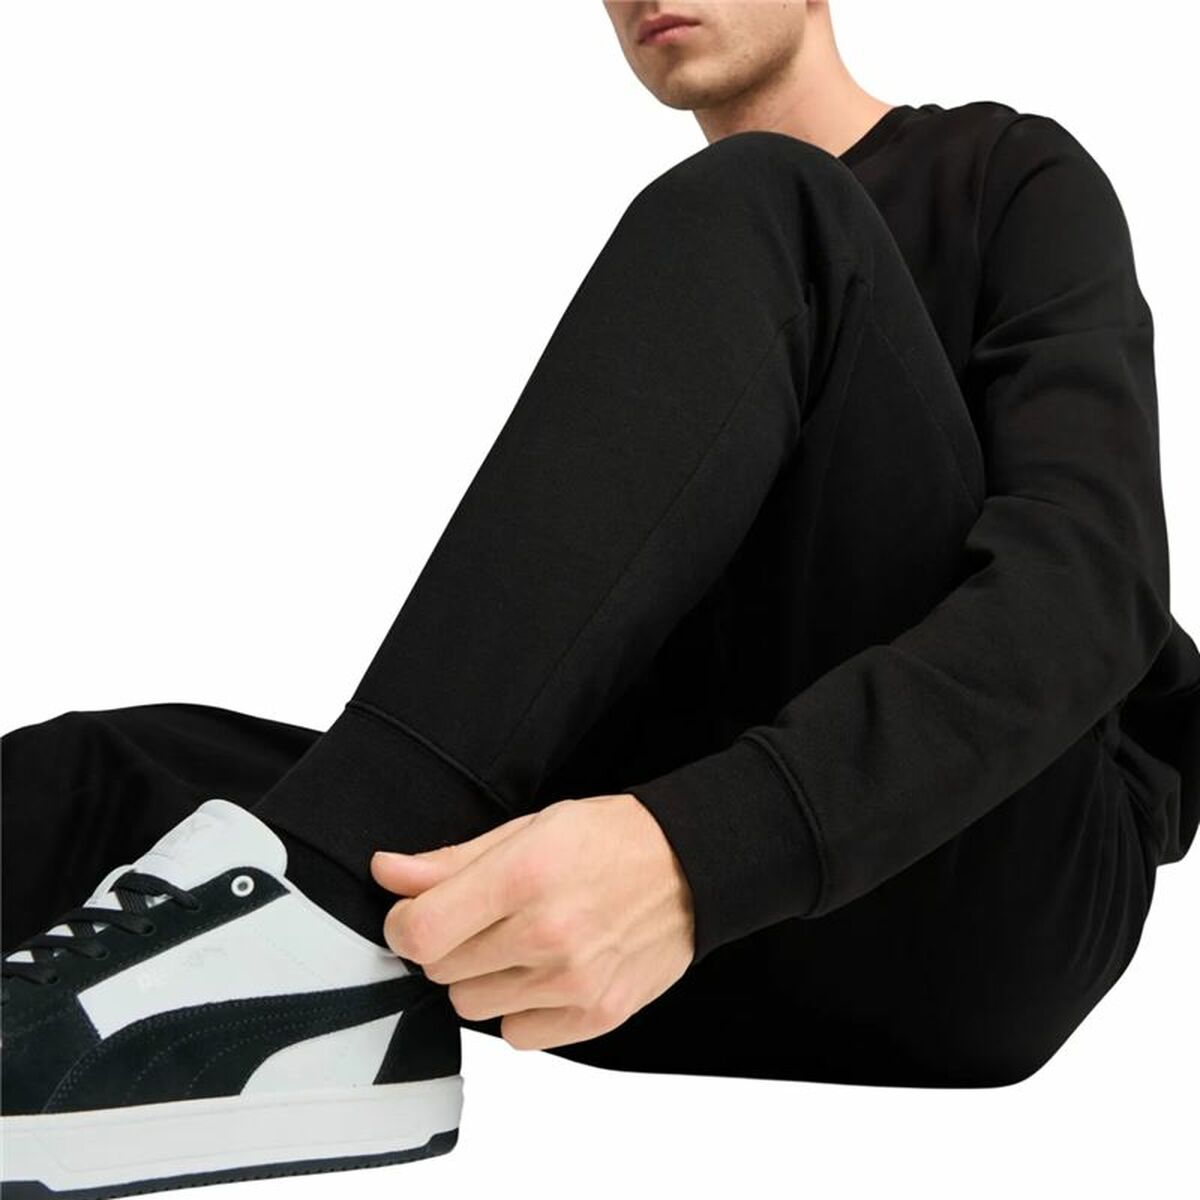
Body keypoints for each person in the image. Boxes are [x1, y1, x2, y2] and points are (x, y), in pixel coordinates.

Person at [3, 1, 1198, 1194]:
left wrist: (700, 851)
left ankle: (309, 933)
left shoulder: (995, 174)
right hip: (672, 951)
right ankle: (288, 965)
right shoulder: (694, 291)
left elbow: (1091, 594)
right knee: (102, 779)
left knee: (766, 201)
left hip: (974, 907)